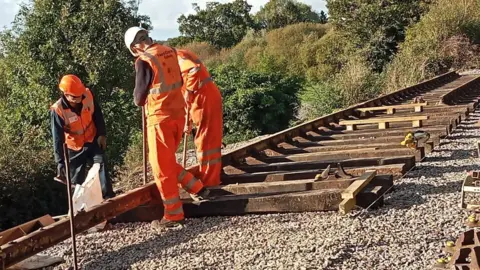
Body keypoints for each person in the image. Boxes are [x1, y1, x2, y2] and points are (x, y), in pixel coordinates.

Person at [124, 26, 210, 230]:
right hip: (177, 114)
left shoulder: (144, 60)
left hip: (159, 118)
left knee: (161, 167)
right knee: (166, 160)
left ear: (135, 47)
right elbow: (177, 80)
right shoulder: (169, 50)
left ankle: (173, 215)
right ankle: (196, 187)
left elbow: (138, 98)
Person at [50, 74, 115, 199]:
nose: (78, 98)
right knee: (76, 182)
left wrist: (102, 134)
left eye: (80, 95)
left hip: (92, 139)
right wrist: (60, 163)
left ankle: (108, 199)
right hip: (74, 147)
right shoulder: (57, 110)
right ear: (65, 94)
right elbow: (57, 139)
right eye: (74, 97)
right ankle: (78, 208)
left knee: (100, 164)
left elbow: (98, 114)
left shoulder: (88, 95)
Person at [176, 49, 223, 187]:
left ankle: (210, 181)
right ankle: (210, 178)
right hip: (202, 99)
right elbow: (185, 95)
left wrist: (190, 90)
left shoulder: (177, 58)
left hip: (203, 99)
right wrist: (187, 121)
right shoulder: (176, 57)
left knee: (206, 142)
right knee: (208, 141)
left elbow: (193, 70)